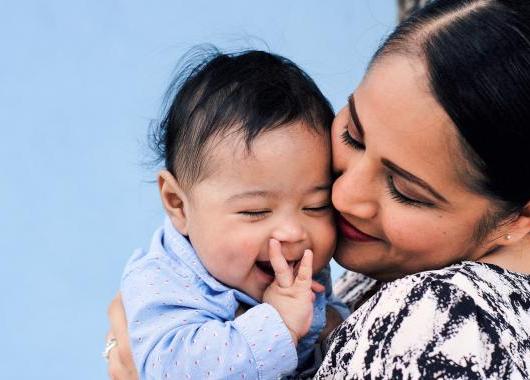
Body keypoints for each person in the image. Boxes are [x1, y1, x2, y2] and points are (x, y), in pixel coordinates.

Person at [106, 0, 530, 378]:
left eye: (404, 189)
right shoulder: (385, 268)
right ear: (176, 202)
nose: (341, 196)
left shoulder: (450, 322)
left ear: (519, 217)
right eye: (353, 135)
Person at [115, 49, 350, 380]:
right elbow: (170, 370)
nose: (293, 231)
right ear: (178, 204)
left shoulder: (294, 265)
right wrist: (277, 323)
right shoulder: (163, 282)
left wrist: (333, 327)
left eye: (316, 206)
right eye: (255, 211)